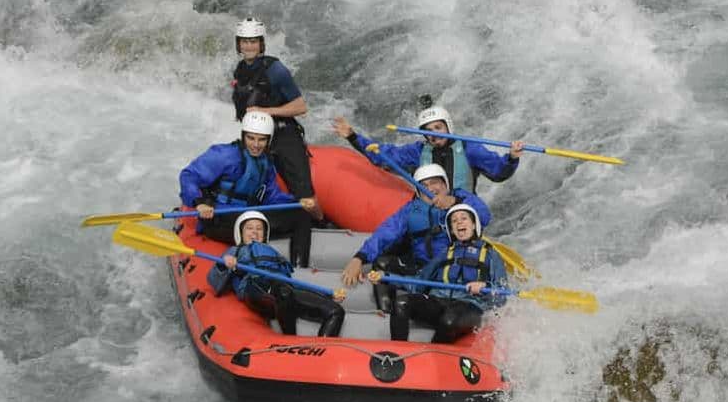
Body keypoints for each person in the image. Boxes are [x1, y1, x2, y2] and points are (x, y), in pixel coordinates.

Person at [340, 163, 491, 312]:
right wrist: (360, 257)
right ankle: (386, 314)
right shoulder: (411, 210)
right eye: (424, 185)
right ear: (418, 191)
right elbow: (385, 233)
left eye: (435, 183)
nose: (431, 189)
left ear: (445, 184)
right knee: (382, 263)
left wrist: (454, 202)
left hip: (455, 273)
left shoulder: (461, 199)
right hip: (423, 271)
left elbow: (484, 216)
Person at [179, 110, 316, 266]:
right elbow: (188, 176)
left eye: (262, 140)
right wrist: (200, 203)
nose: (256, 145)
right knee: (250, 225)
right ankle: (248, 269)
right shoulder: (224, 155)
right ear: (243, 135)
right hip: (219, 217)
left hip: (249, 215)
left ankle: (299, 268)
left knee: (301, 215)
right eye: (251, 138)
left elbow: (271, 196)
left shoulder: (266, 162)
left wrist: (297, 203)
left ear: (269, 140)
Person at [369, 203, 508, 343]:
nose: (459, 222)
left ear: (473, 225)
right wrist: (386, 277)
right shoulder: (445, 253)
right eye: (454, 220)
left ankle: (433, 359)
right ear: (452, 230)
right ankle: (397, 354)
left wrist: (484, 286)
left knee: (449, 320)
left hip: (470, 306)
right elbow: (418, 283)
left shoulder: (491, 255)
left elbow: (502, 294)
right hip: (439, 301)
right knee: (401, 303)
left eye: (464, 218)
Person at [231, 17, 322, 220]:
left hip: (283, 135)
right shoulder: (240, 70)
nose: (249, 46)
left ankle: (319, 220)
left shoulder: (276, 70)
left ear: (261, 43)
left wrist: (266, 111)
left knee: (303, 191)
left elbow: (301, 107)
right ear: (239, 44)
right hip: (257, 139)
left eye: (253, 41)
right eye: (245, 41)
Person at [206, 211, 345, 337]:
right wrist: (223, 264)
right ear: (240, 232)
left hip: (284, 290)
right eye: (249, 228)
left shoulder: (274, 253)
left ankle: (322, 351)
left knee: (335, 311)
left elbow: (291, 283)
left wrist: (328, 294)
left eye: (259, 228)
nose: (254, 232)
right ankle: (290, 342)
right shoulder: (235, 251)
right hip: (255, 288)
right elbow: (213, 280)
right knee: (283, 292)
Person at [332, 106, 525, 194]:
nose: (433, 134)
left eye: (438, 128)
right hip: (430, 211)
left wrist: (512, 157)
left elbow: (499, 172)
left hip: (462, 212)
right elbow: (382, 155)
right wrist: (352, 136)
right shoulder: (418, 151)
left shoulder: (469, 148)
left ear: (448, 127)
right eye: (428, 131)